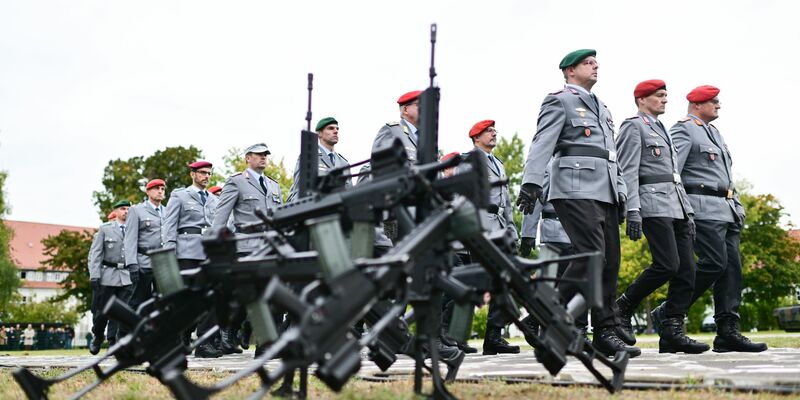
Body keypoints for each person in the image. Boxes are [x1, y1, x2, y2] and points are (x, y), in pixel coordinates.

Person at [517, 49, 640, 358]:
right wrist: (531, 181)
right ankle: (546, 316)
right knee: (592, 257)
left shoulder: (603, 107)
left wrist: (622, 192)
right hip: (573, 188)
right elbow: (542, 142)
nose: (595, 66)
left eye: (596, 63)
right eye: (588, 63)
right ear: (570, 71)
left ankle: (602, 331)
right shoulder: (559, 100)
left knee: (610, 261)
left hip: (605, 191)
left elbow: (612, 157)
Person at [654, 85, 767, 353]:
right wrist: (681, 210)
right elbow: (673, 173)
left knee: (731, 270)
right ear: (696, 105)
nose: (718, 106)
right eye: (713, 102)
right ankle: (669, 312)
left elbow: (726, 177)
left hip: (726, 210)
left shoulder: (715, 134)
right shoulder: (683, 129)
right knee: (714, 263)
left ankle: (728, 331)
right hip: (700, 207)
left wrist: (737, 206)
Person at [613, 80, 709, 354]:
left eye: (666, 95)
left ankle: (672, 330)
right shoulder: (633, 126)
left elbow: (675, 176)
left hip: (677, 206)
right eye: (659, 96)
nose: (665, 100)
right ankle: (624, 305)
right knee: (667, 264)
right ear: (642, 99)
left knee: (688, 270)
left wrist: (687, 211)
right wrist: (632, 209)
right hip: (652, 204)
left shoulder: (663, 129)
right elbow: (627, 170)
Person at [211, 143, 283, 354]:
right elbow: (221, 216)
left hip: (269, 245)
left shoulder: (273, 185)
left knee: (269, 294)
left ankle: (264, 344)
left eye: (266, 155)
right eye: (259, 155)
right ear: (248, 158)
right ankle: (232, 329)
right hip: (245, 244)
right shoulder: (236, 182)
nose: (263, 158)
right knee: (247, 295)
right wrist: (217, 244)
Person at [457, 120, 520, 355]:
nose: (494, 134)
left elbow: (506, 203)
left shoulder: (499, 164)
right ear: (476, 138)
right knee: (473, 284)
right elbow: (462, 196)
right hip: (479, 228)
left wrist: (512, 231)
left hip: (499, 228)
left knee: (504, 281)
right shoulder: (469, 160)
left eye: (494, 130)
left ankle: (494, 336)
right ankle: (454, 336)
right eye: (488, 131)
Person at [163, 160, 225, 358]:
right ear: (193, 174)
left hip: (209, 252)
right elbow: (169, 226)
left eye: (209, 173)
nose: (206, 176)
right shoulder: (180, 195)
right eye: (203, 173)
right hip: (186, 252)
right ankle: (178, 338)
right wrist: (169, 254)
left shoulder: (215, 201)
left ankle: (204, 343)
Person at [88, 199, 135, 354]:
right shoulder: (105, 229)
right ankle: (98, 335)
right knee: (102, 312)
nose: (126, 212)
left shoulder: (134, 229)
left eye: (128, 209)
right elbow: (96, 254)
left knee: (122, 312)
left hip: (127, 275)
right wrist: (94, 276)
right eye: (123, 209)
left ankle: (117, 342)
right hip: (108, 275)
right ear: (115, 212)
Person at [125, 179, 168, 312]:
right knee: (138, 301)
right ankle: (125, 332)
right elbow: (130, 238)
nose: (160, 191)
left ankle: (156, 332)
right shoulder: (136, 210)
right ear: (148, 191)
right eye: (156, 188)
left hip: (162, 262)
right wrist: (132, 263)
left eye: (162, 189)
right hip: (143, 261)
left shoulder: (167, 211)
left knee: (163, 301)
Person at [287, 117, 353, 202]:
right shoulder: (309, 157)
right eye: (330, 128)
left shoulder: (344, 163)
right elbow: (299, 190)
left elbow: (349, 192)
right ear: (319, 134)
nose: (336, 131)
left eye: (337, 129)